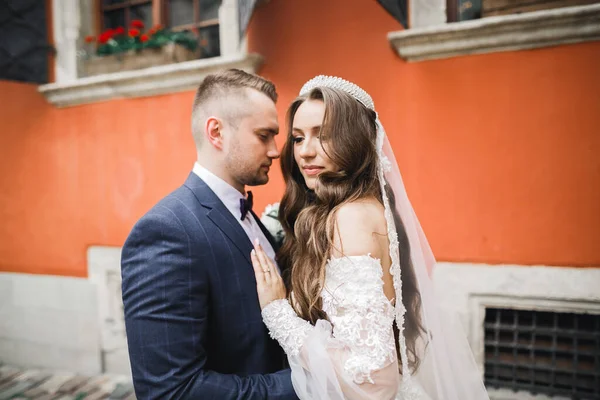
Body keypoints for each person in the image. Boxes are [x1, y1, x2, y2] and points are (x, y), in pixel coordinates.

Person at [250, 76, 490, 399]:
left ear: (353, 140)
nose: (305, 152)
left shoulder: (351, 219)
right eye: (297, 138)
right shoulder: (364, 207)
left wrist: (278, 314)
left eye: (322, 135)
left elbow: (373, 383)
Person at [121, 69, 298, 399]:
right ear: (216, 132)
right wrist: (306, 383)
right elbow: (170, 390)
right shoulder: (167, 231)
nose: (276, 151)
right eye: (264, 135)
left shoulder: (252, 219)